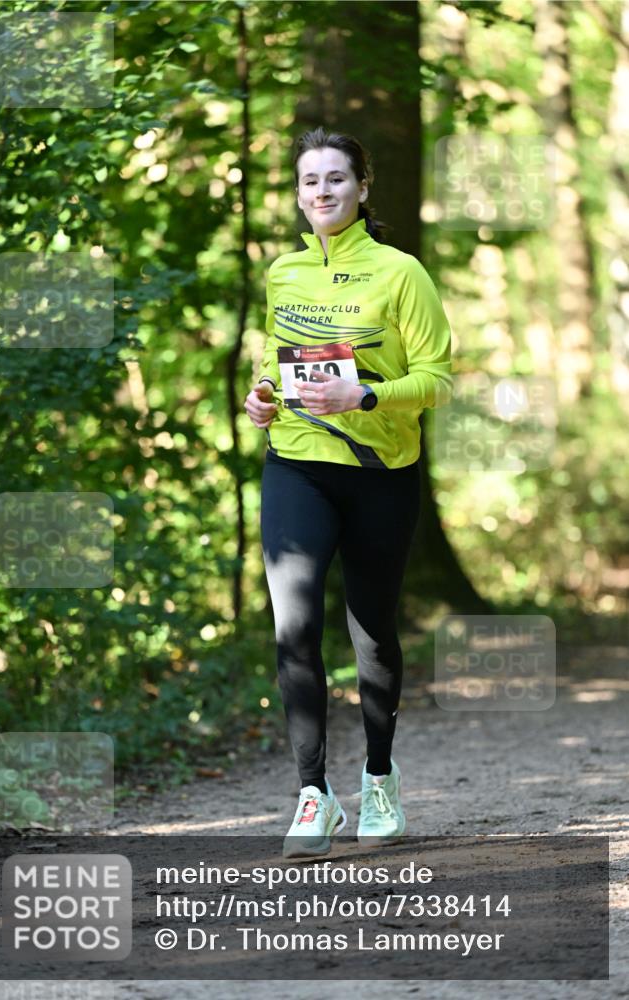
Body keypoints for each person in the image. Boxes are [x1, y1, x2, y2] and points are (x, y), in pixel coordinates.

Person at [244, 126, 453, 859]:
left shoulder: (402, 273)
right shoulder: (282, 274)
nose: (321, 192)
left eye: (335, 178)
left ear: (362, 188)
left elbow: (436, 380)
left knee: (371, 636)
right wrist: (261, 399)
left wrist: (365, 396)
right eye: (309, 181)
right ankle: (312, 794)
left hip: (379, 474)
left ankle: (377, 776)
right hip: (295, 464)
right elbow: (275, 367)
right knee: (294, 628)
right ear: (298, 194)